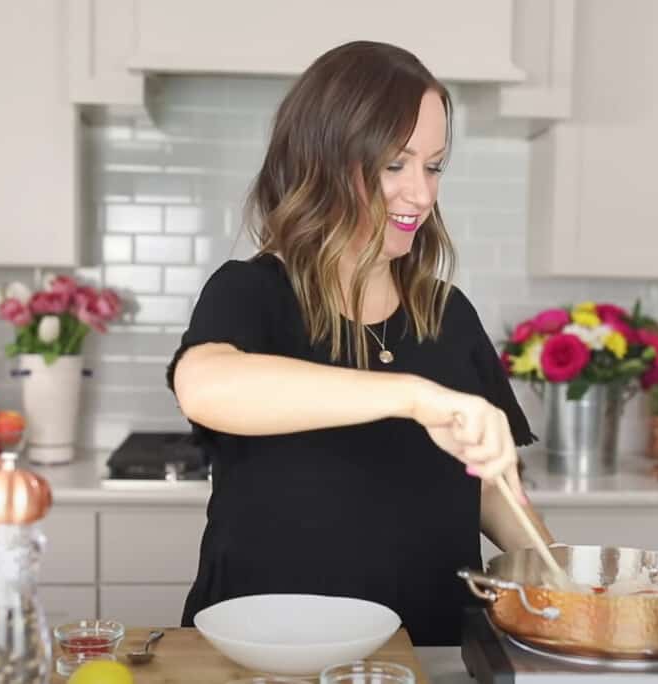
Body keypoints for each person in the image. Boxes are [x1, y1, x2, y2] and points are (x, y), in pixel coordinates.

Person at [167, 40, 555, 646]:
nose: (422, 195)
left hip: (432, 646)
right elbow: (205, 386)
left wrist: (561, 575)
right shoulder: (253, 291)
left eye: (434, 166)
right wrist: (415, 398)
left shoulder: (447, 313)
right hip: (269, 650)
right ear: (323, 160)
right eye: (395, 165)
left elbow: (490, 486)